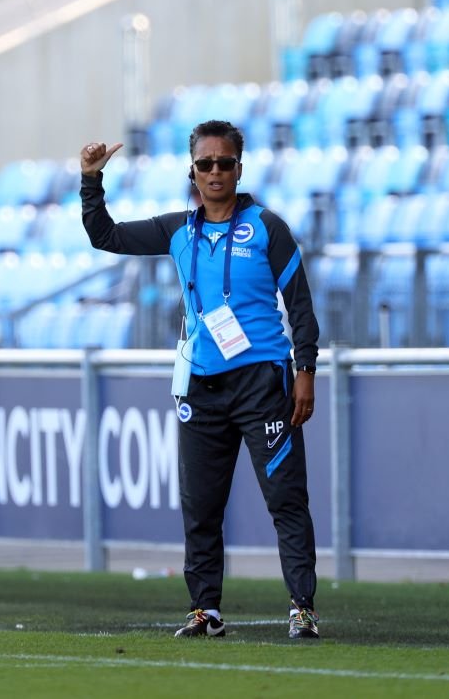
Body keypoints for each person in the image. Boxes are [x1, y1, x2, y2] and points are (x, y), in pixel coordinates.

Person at [79, 120, 321, 640]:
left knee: (286, 500)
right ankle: (204, 610)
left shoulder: (267, 228)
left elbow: (299, 305)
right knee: (201, 506)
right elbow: (106, 236)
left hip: (263, 385)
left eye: (225, 163)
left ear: (239, 168)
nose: (215, 172)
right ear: (192, 170)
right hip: (202, 387)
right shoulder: (177, 231)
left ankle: (302, 606)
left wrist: (306, 371)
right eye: (206, 164)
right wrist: (91, 180)